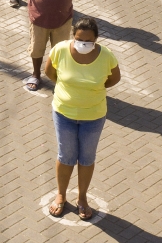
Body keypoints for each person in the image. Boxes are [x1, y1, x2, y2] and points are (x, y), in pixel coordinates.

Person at [44, 17, 120, 219]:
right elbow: (49, 72)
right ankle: (61, 195)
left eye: (88, 41)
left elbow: (114, 78)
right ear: (73, 36)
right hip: (64, 113)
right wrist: (66, 88)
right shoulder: (60, 49)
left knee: (86, 158)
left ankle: (82, 198)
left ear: (96, 40)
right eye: (79, 39)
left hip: (93, 116)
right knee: (66, 156)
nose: (83, 44)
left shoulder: (106, 56)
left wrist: (94, 90)